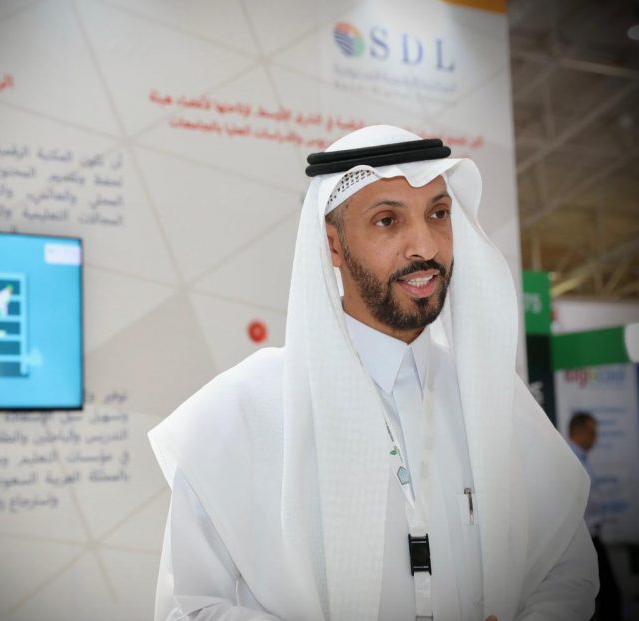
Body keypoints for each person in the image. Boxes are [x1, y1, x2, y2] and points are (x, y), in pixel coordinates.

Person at [149, 125, 598, 620]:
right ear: (333, 246)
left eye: (438, 214)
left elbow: (568, 570)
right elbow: (187, 608)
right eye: (387, 221)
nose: (424, 246)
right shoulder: (246, 410)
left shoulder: (492, 398)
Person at [568, 411, 623, 620]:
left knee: (598, 594)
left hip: (590, 536)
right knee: (609, 594)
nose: (595, 438)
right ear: (579, 432)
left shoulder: (581, 459)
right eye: (592, 432)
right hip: (584, 539)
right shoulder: (571, 460)